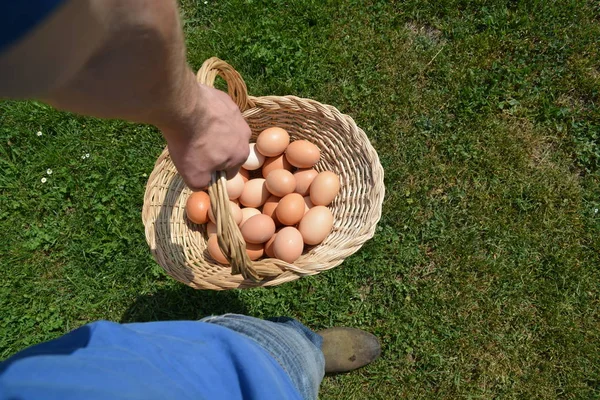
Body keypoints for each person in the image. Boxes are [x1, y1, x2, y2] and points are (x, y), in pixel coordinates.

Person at [0, 1, 381, 399]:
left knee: (204, 349)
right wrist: (191, 115)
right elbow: (116, 15)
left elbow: (82, 18)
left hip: (73, 378)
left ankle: (296, 348)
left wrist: (192, 116)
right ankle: (301, 353)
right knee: (268, 365)